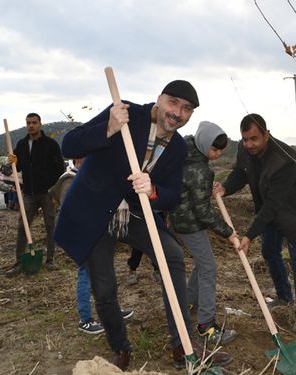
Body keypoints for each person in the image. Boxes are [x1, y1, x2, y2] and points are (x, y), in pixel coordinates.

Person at [54, 80, 231, 370]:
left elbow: (172, 195)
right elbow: (68, 145)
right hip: (95, 210)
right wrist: (108, 128)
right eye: (173, 103)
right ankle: (120, 347)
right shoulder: (125, 114)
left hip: (134, 213)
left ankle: (183, 343)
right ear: (159, 99)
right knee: (104, 287)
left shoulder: (177, 149)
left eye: (186, 109)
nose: (178, 112)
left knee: (172, 255)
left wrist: (153, 191)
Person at [215, 113, 296, 334]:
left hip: (295, 212)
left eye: (254, 139)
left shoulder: (284, 159)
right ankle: (284, 296)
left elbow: (273, 204)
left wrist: (249, 235)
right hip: (270, 210)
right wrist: (225, 188)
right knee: (269, 252)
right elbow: (240, 173)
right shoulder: (245, 150)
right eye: (245, 139)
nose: (249, 144)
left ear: (266, 134)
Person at [170, 121, 239, 345]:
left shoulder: (186, 152)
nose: (217, 154)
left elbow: (192, 189)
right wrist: (228, 232)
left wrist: (204, 188)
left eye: (221, 150)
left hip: (180, 217)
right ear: (203, 143)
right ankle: (206, 325)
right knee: (209, 267)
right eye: (215, 149)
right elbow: (204, 212)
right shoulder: (200, 169)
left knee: (203, 262)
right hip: (190, 223)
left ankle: (189, 301)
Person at [48, 158, 134, 335]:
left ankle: (111, 311)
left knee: (106, 274)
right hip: (81, 235)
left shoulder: (90, 176)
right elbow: (71, 211)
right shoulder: (69, 179)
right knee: (85, 275)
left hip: (98, 233)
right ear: (78, 160)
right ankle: (85, 319)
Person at [5, 113, 65, 276]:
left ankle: (50, 259)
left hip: (47, 193)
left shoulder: (50, 144)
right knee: (22, 227)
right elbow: (15, 168)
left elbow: (61, 169)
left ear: (40, 124)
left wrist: (53, 188)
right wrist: (11, 162)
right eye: (28, 123)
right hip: (29, 193)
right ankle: (18, 262)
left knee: (50, 226)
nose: (31, 125)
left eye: (34, 122)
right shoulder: (22, 144)